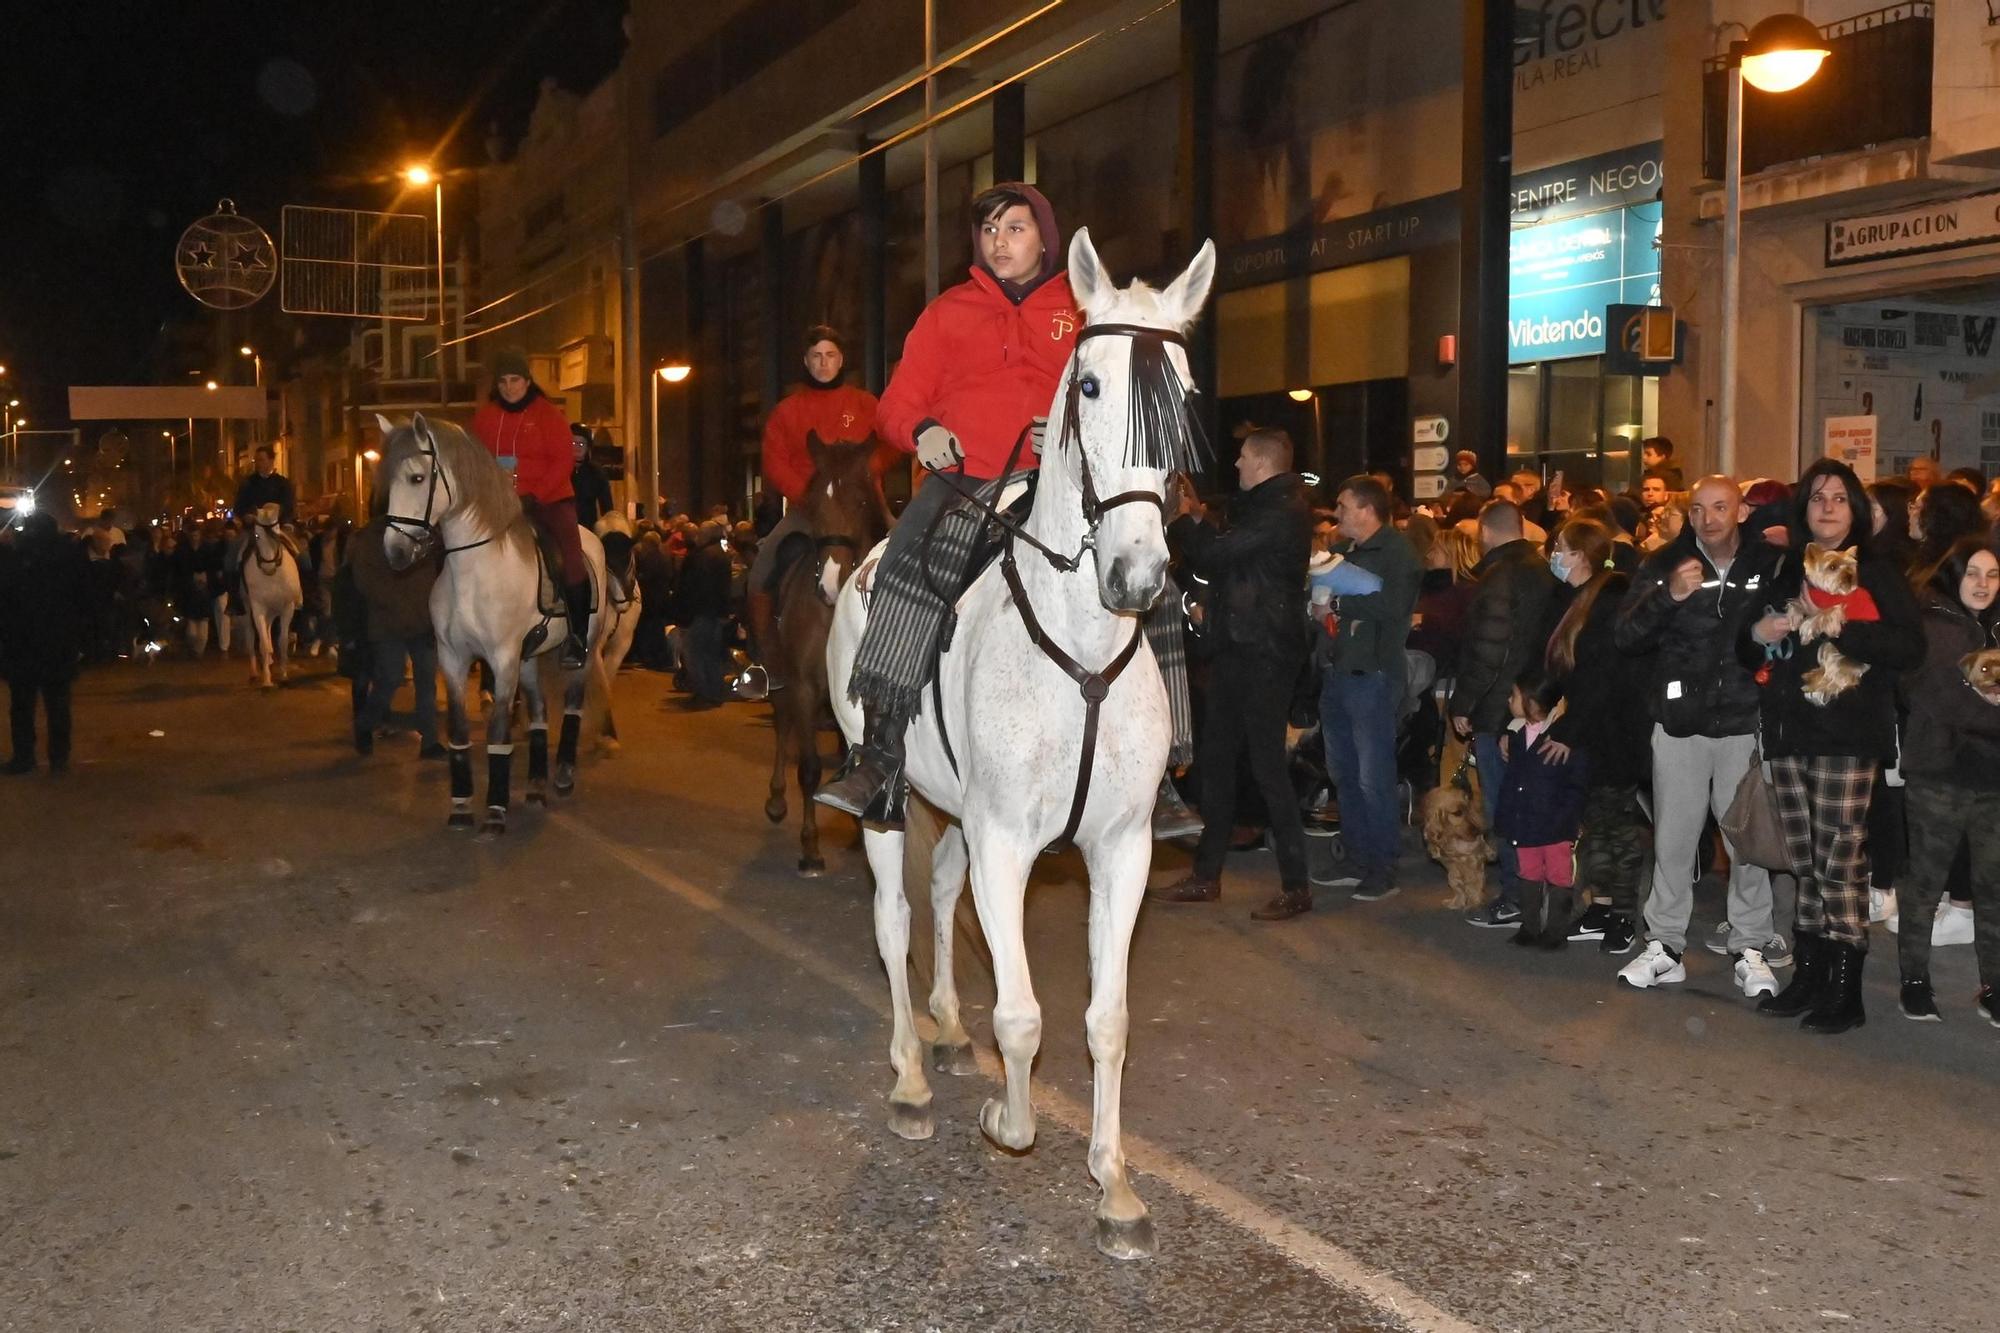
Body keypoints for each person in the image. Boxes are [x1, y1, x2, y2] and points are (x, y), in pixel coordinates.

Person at [816, 182, 1197, 837]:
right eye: (990, 229)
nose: (1000, 241)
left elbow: (1115, 390)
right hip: (964, 480)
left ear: (1044, 237)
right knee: (905, 566)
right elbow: (895, 402)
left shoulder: (1080, 310)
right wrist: (923, 431)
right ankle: (879, 753)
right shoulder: (947, 312)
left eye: (1014, 228)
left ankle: (1158, 772)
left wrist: (1073, 430)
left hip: (1056, 483)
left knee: (1146, 579)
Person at [1744, 458, 1923, 1035]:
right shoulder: (1784, 568)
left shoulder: (1878, 570)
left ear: (1856, 509)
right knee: (1804, 860)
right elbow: (1748, 648)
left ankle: (1846, 989)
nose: (1826, 506)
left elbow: (1908, 647)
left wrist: (1842, 623)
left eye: (1838, 498)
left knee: (1839, 860)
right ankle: (1811, 973)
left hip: (1848, 735)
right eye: (1817, 497)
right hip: (1791, 730)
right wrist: (1757, 634)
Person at [1613, 475, 1786, 996]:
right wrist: (1669, 596)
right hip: (1681, 723)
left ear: (1740, 511)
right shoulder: (1664, 563)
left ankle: (1751, 945)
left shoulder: (1769, 564)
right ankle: (1665, 946)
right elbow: (1625, 635)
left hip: (1744, 722)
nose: (1708, 519)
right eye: (1697, 509)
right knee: (1672, 838)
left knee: (1746, 840)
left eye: (1719, 507)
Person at [1151, 428, 1315, 920]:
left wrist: (1182, 519)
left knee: (1267, 768)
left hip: (1265, 653)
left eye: (1243, 457)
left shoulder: (1284, 509)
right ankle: (1206, 876)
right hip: (1235, 649)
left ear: (1264, 462)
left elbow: (1216, 553)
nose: (1237, 465)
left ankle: (1297, 885)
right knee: (1216, 765)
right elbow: (1227, 556)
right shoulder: (1263, 505)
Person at [1894, 537, 2000, 1022]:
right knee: (1926, 881)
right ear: (1953, 576)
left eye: (1992, 574)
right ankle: (1915, 980)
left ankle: (1993, 985)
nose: (1982, 584)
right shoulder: (1934, 623)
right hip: (1940, 770)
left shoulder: (1995, 624)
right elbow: (1940, 699)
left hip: (1992, 776)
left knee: (1992, 885)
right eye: (1973, 573)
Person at [746, 325, 880, 685]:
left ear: (842, 359)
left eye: (831, 355)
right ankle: (767, 662)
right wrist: (811, 499)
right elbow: (775, 462)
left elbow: (891, 443)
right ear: (806, 362)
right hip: (808, 513)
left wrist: (861, 476)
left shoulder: (866, 404)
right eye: (817, 356)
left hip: (862, 508)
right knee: (761, 570)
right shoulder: (787, 411)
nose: (824, 363)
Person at [1540, 517, 1650, 954]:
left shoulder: (1610, 601)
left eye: (1561, 548)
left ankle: (1623, 914)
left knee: (1617, 828)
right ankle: (1602, 907)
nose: (1554, 556)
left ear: (1581, 556)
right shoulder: (1580, 598)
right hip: (1595, 730)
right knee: (1597, 825)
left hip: (1614, 733)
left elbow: (1601, 677)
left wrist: (1568, 729)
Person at [1449, 499, 1560, 927]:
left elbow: (1488, 650)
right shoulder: (1543, 570)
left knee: (1503, 806)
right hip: (1533, 703)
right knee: (1529, 803)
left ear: (1485, 532)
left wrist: (1465, 703)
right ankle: (1535, 888)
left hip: (1498, 708)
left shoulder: (1498, 576)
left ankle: (1516, 895)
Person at [1317, 474, 1419, 901]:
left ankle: (1382, 865)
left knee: (1372, 775)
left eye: (1343, 505)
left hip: (1372, 676)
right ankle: (1358, 856)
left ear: (1366, 508)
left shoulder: (1397, 553)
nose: (1336, 513)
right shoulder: (1343, 553)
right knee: (1344, 772)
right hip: (1339, 672)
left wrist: (1337, 603)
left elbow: (1394, 606)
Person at [470, 347, 592, 668]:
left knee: (570, 556)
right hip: (498, 502)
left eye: (515, 380)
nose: (509, 387)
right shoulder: (484, 418)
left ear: (527, 381)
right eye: (503, 382)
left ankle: (578, 637)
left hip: (547, 500)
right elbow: (478, 461)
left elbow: (563, 461)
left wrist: (535, 494)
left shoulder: (548, 415)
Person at [1494, 666, 1590, 947]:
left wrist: (1569, 820)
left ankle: (1556, 932)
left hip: (1556, 825)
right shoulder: (1515, 736)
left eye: (1514, 696)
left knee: (1559, 877)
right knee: (1528, 874)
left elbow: (1577, 784)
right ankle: (1530, 927)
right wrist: (1505, 816)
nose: (1509, 701)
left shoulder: (1563, 741)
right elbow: (1511, 782)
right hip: (1525, 823)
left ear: (1532, 703)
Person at [346, 510, 443, 757]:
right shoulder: (372, 537)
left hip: (422, 621)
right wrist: (398, 603)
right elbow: (365, 580)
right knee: (389, 678)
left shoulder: (426, 534)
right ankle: (365, 724)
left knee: (426, 682)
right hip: (388, 623)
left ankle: (430, 741)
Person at [0, 513, 89, 775]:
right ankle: (58, 759)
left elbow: (5, 597)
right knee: (58, 704)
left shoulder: (17, 557)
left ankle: (24, 757)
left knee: (22, 705)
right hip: (58, 641)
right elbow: (83, 597)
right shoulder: (69, 556)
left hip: (22, 641)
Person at [677, 519, 734, 709]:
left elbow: (697, 587)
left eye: (701, 533)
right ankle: (715, 693)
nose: (697, 537)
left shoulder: (704, 557)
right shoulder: (722, 554)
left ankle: (703, 692)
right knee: (712, 654)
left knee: (694, 652)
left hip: (704, 612)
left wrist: (688, 611)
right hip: (717, 612)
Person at [233, 446, 295, 526]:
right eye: (256, 460)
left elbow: (288, 507)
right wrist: (246, 515)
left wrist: (286, 524)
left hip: (276, 528)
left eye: (261, 460)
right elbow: (239, 506)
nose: (258, 464)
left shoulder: (282, 483)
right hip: (253, 527)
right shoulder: (248, 483)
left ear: (271, 460)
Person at [570, 424, 615, 532]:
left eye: (581, 444)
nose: (577, 447)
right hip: (563, 528)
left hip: (588, 529)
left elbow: (607, 508)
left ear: (587, 448)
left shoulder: (596, 473)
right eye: (573, 443)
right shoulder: (559, 470)